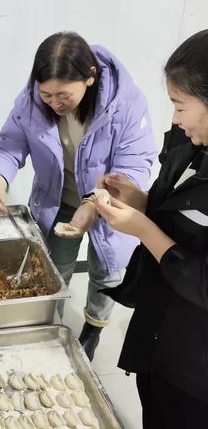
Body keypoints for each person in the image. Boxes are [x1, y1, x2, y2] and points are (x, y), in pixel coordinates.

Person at [0, 32, 157, 360]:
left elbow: (134, 164)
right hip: (59, 200)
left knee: (106, 269)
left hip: (110, 206)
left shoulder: (126, 104)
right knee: (53, 263)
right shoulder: (33, 100)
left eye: (63, 95)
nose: (54, 103)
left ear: (89, 77)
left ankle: (94, 328)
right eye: (47, 94)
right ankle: (49, 321)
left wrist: (95, 203)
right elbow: (10, 144)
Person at [95, 30, 208, 428]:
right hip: (159, 327)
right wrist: (140, 201)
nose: (175, 117)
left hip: (196, 360)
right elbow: (177, 209)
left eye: (180, 105)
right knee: (154, 402)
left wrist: (144, 229)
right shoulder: (190, 141)